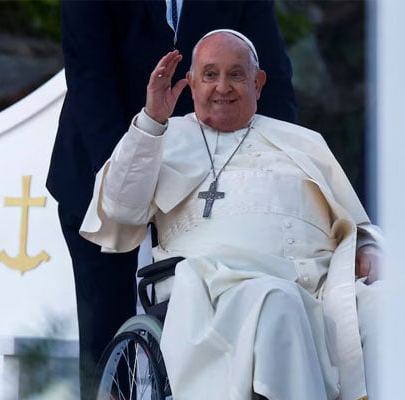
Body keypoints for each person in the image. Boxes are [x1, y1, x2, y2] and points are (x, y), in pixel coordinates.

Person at [80, 30, 383, 399]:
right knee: (278, 301)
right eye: (209, 75)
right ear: (190, 83)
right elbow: (119, 210)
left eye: (236, 75)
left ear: (258, 83)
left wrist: (367, 248)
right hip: (219, 284)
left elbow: (354, 222)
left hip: (321, 284)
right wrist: (151, 121)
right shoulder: (161, 136)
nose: (222, 86)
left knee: (390, 307)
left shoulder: (303, 141)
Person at [45, 1, 296, 398]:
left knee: (206, 332)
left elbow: (274, 85)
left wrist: (277, 169)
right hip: (101, 172)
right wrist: (130, 179)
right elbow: (90, 77)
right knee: (105, 339)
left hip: (207, 186)